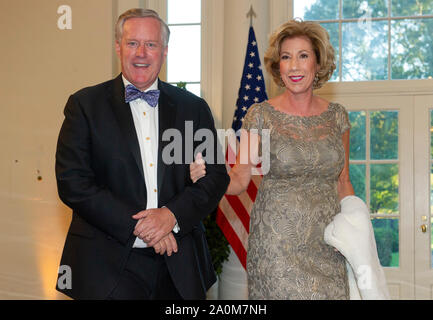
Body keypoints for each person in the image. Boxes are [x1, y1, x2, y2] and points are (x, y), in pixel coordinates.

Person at [55, 8, 229, 300]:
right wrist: (145, 226)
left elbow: (215, 177)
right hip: (106, 266)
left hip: (179, 262)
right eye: (132, 43)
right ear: (118, 47)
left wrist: (171, 216)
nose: (141, 53)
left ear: (165, 51)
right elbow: (73, 182)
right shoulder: (84, 105)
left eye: (151, 44)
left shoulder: (193, 108)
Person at [190, 19, 355, 299]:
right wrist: (209, 176)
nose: (293, 66)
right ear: (278, 66)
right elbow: (240, 177)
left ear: (318, 62)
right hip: (277, 249)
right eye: (286, 57)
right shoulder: (261, 115)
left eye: (303, 56)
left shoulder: (337, 116)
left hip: (329, 245)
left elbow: (344, 182)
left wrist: (351, 229)